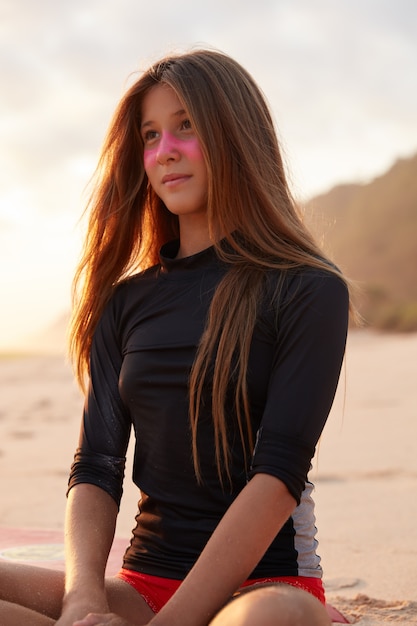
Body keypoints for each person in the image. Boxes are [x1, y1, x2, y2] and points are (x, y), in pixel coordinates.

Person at [0, 49, 350, 625]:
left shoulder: (308, 290)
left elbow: (277, 478)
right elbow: (96, 466)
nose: (166, 151)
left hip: (262, 589)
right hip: (142, 588)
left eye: (187, 126)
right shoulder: (126, 302)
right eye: (151, 134)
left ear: (236, 134)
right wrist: (83, 600)